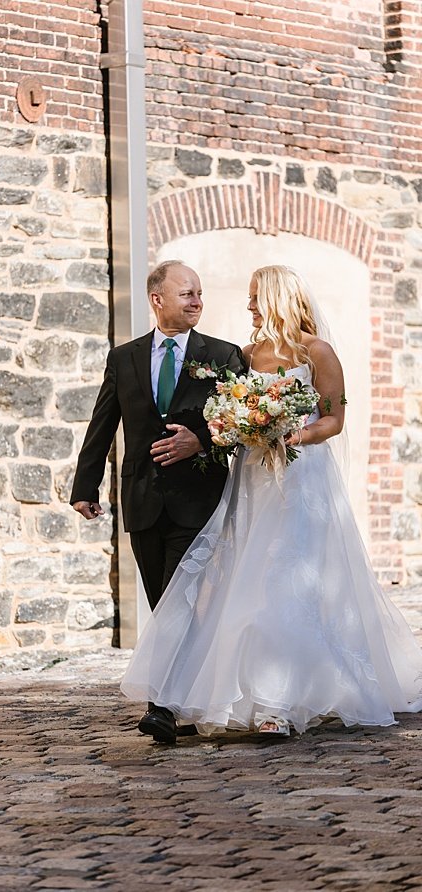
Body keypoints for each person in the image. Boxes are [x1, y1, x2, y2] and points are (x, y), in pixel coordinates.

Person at [120, 265, 422, 737]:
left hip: (301, 478)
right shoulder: (245, 354)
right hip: (253, 478)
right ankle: (241, 694)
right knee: (248, 578)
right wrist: (232, 428)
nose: (250, 305)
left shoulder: (316, 351)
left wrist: (292, 435)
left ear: (278, 297)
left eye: (256, 296)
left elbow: (334, 419)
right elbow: (228, 413)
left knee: (289, 578)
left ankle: (278, 705)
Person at [70, 260, 245, 744]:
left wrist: (202, 441)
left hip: (200, 501)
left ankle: (161, 708)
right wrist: (86, 486)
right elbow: (103, 423)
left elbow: (245, 425)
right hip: (143, 501)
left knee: (179, 600)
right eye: (187, 293)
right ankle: (183, 701)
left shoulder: (224, 355)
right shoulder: (124, 358)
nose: (196, 301)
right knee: (162, 601)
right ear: (157, 299)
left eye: (200, 293)